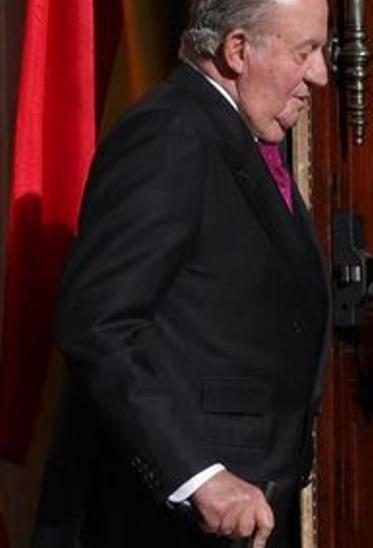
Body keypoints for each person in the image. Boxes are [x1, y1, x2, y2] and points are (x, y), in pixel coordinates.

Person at [31, 0, 330, 546]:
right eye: (305, 52)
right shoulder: (170, 136)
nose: (321, 75)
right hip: (165, 520)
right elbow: (98, 325)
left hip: (250, 511)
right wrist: (200, 477)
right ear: (238, 50)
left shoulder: (243, 135)